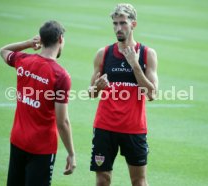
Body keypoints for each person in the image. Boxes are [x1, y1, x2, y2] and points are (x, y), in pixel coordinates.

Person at [88, 4, 158, 186]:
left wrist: (135, 64)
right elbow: (90, 92)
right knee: (103, 180)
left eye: (123, 23)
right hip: (105, 127)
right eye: (115, 23)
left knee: (139, 181)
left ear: (133, 24)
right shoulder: (103, 54)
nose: (118, 28)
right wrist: (97, 87)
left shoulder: (146, 54)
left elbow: (152, 94)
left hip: (134, 129)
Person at [0, 20, 76, 186]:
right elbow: (62, 122)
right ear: (61, 39)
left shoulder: (23, 61)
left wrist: (28, 43)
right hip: (42, 148)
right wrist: (71, 153)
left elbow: (3, 50)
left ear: (41, 39)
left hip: (18, 140)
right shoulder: (61, 76)